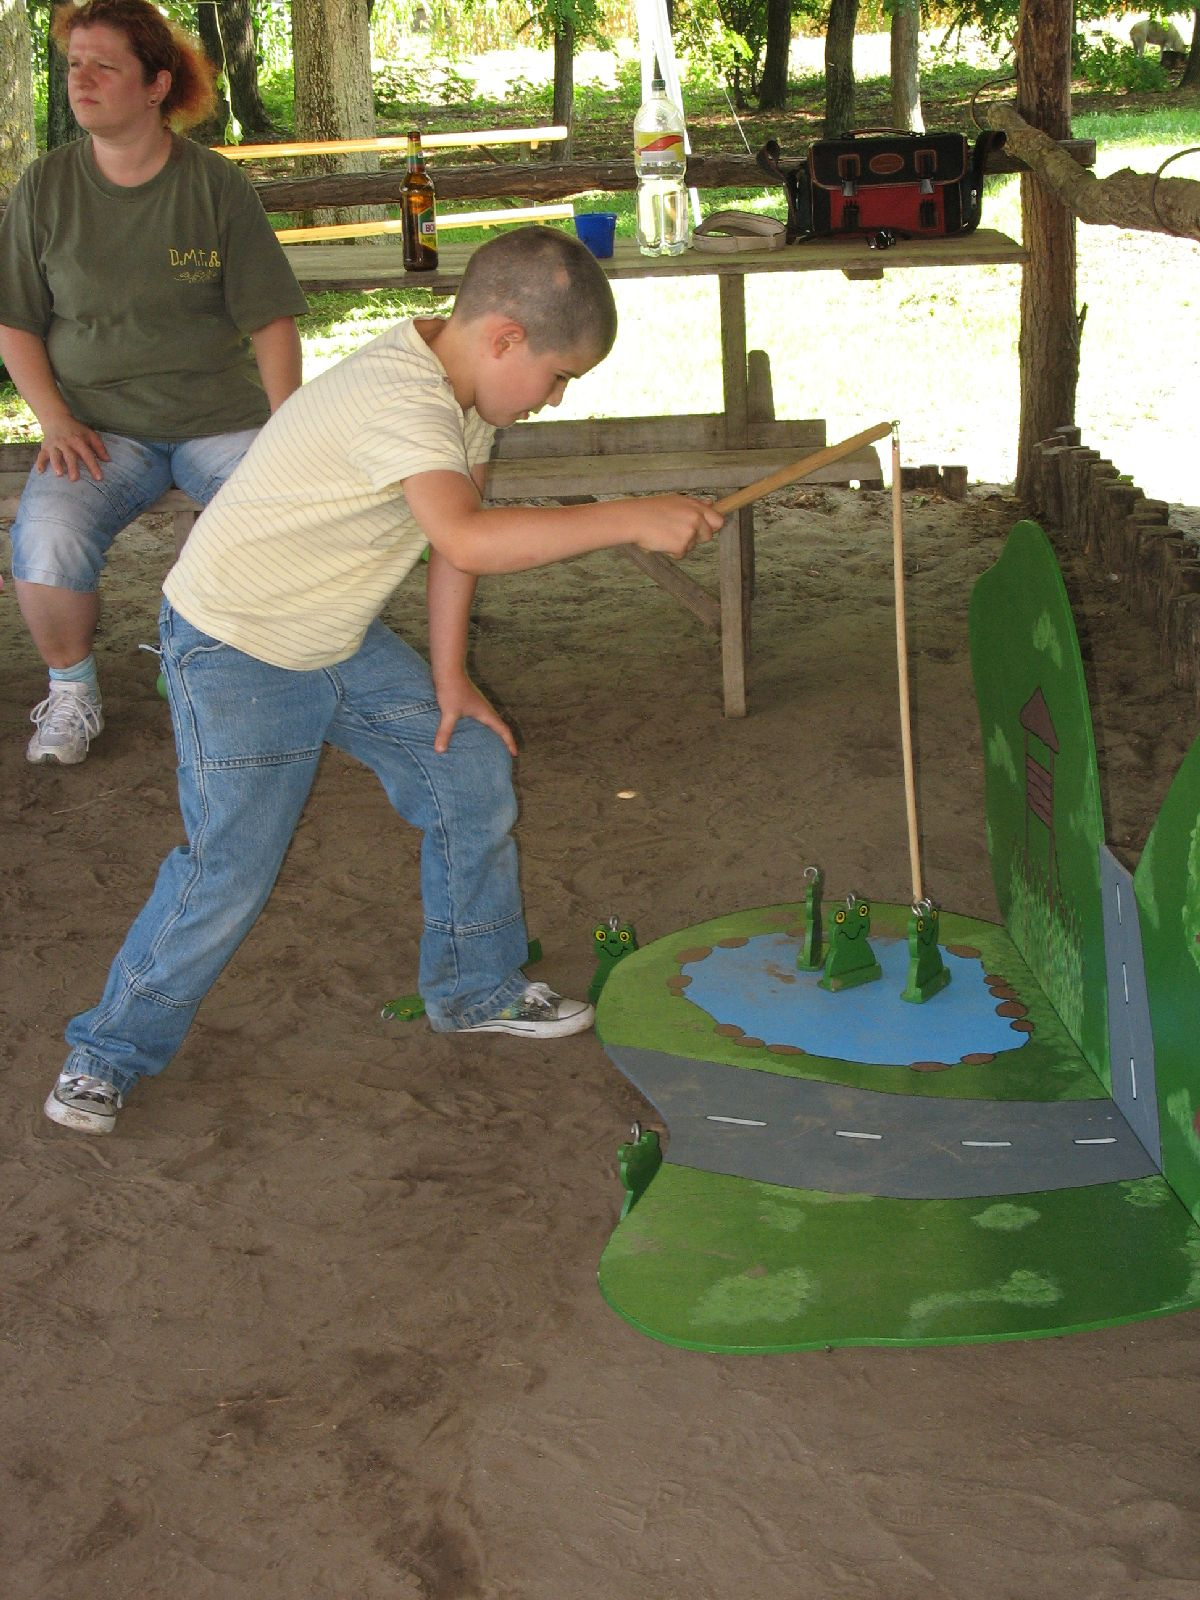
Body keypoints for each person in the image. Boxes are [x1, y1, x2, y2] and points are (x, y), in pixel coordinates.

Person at [42, 224, 725, 1134]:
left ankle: (474, 987)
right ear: (504, 339)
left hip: (334, 632)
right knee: (229, 869)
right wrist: (630, 515)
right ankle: (106, 1051)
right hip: (237, 646)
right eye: (560, 376)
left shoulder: (468, 391)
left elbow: (457, 541)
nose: (556, 398)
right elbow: (469, 538)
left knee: (468, 763)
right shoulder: (402, 398)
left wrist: (451, 677)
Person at [0, 0, 307, 767]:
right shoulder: (45, 188)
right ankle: (72, 693)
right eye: (74, 64)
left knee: (270, 519)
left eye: (105, 66)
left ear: (156, 85)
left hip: (219, 416)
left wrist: (287, 431)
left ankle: (194, 661)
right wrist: (54, 420)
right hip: (98, 429)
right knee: (46, 536)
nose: (82, 80)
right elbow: (16, 325)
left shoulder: (215, 188)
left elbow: (271, 321)